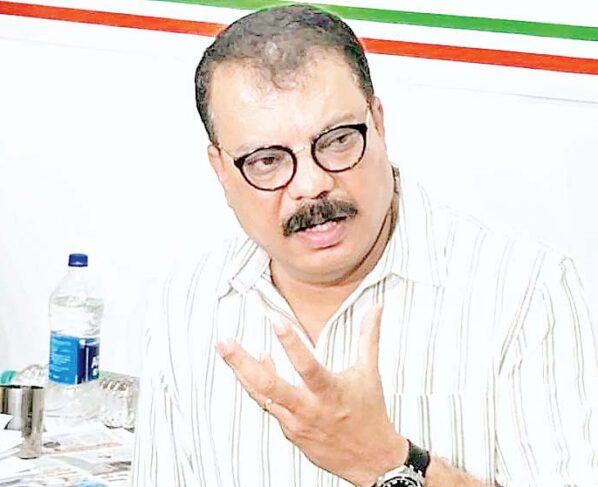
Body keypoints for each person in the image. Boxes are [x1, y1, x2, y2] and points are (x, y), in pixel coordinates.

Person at [131, 4, 598, 486]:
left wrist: (385, 462)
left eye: (336, 141)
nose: (311, 184)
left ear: (378, 122)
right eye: (267, 161)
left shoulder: (525, 294)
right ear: (220, 170)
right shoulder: (188, 302)